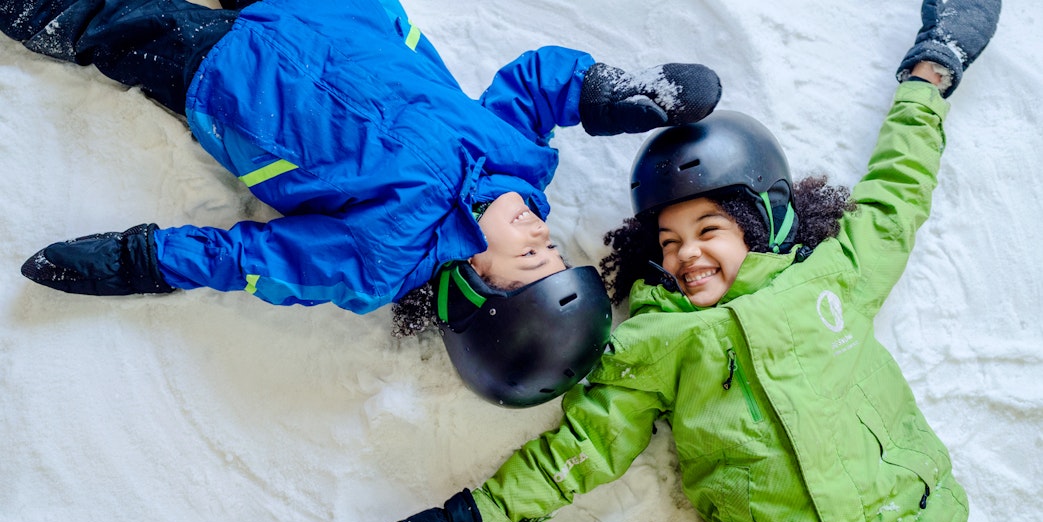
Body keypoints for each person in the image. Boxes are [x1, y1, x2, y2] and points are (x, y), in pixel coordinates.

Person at [363, 1, 1043, 522]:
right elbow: (578, 455)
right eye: (667, 243)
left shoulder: (831, 276)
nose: (686, 253)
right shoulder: (649, 344)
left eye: (708, 229)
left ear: (761, 222)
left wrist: (930, 70)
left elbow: (896, 191)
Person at [1, 0, 722, 406]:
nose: (540, 232)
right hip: (338, 15)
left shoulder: (383, 256)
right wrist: (606, 91)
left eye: (528, 257)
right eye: (551, 247)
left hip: (233, 78)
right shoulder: (519, 158)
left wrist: (137, 260)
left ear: (476, 282)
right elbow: (536, 83)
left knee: (101, 17)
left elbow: (249, 259)